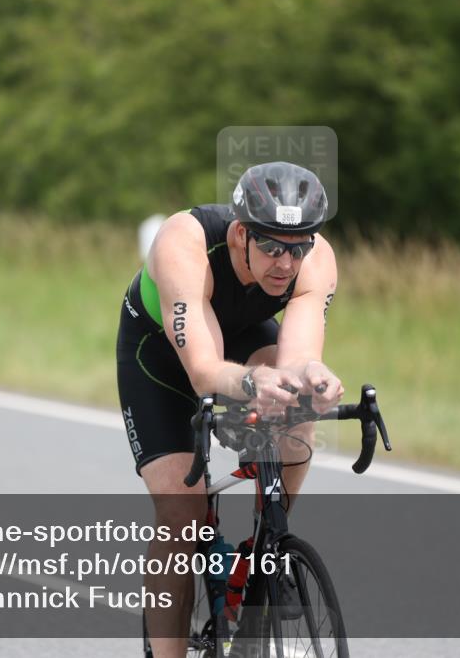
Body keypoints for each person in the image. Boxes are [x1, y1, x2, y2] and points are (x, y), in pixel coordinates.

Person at [115, 161, 344, 657]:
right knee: (182, 511)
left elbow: (299, 358)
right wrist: (252, 381)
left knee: (298, 406)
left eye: (298, 248)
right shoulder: (185, 242)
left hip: (241, 336)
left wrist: (316, 380)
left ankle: (268, 544)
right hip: (159, 354)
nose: (286, 263)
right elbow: (202, 371)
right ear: (241, 234)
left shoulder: (317, 258)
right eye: (272, 247)